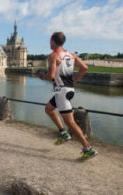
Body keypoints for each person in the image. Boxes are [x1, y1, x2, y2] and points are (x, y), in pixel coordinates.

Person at [38, 32, 97, 160]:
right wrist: (74, 81)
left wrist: (43, 76)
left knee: (70, 122)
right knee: (48, 109)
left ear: (53, 41)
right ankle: (63, 132)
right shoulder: (72, 55)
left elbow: (52, 75)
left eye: (50, 40)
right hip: (66, 90)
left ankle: (88, 148)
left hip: (62, 92)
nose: (49, 43)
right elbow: (85, 68)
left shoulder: (53, 56)